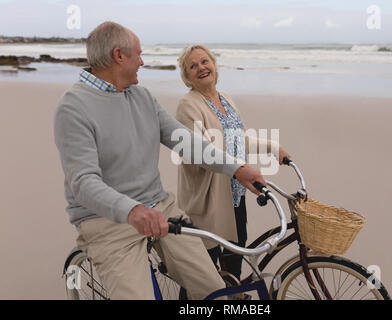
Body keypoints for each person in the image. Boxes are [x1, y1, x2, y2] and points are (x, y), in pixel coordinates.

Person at [53, 22, 266, 300]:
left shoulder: (141, 96)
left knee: (216, 294)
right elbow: (83, 183)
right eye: (138, 54)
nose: (142, 61)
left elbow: (185, 140)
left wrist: (236, 168)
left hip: (160, 207)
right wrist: (132, 211)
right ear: (119, 56)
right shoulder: (73, 108)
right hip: (106, 221)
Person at [175, 44, 291, 282]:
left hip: (236, 197)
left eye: (205, 62)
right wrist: (239, 169)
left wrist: (272, 147)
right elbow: (201, 154)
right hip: (208, 203)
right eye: (193, 66)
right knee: (203, 279)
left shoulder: (225, 98)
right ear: (186, 76)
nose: (201, 68)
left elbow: (241, 138)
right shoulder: (188, 105)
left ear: (215, 66)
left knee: (233, 271)